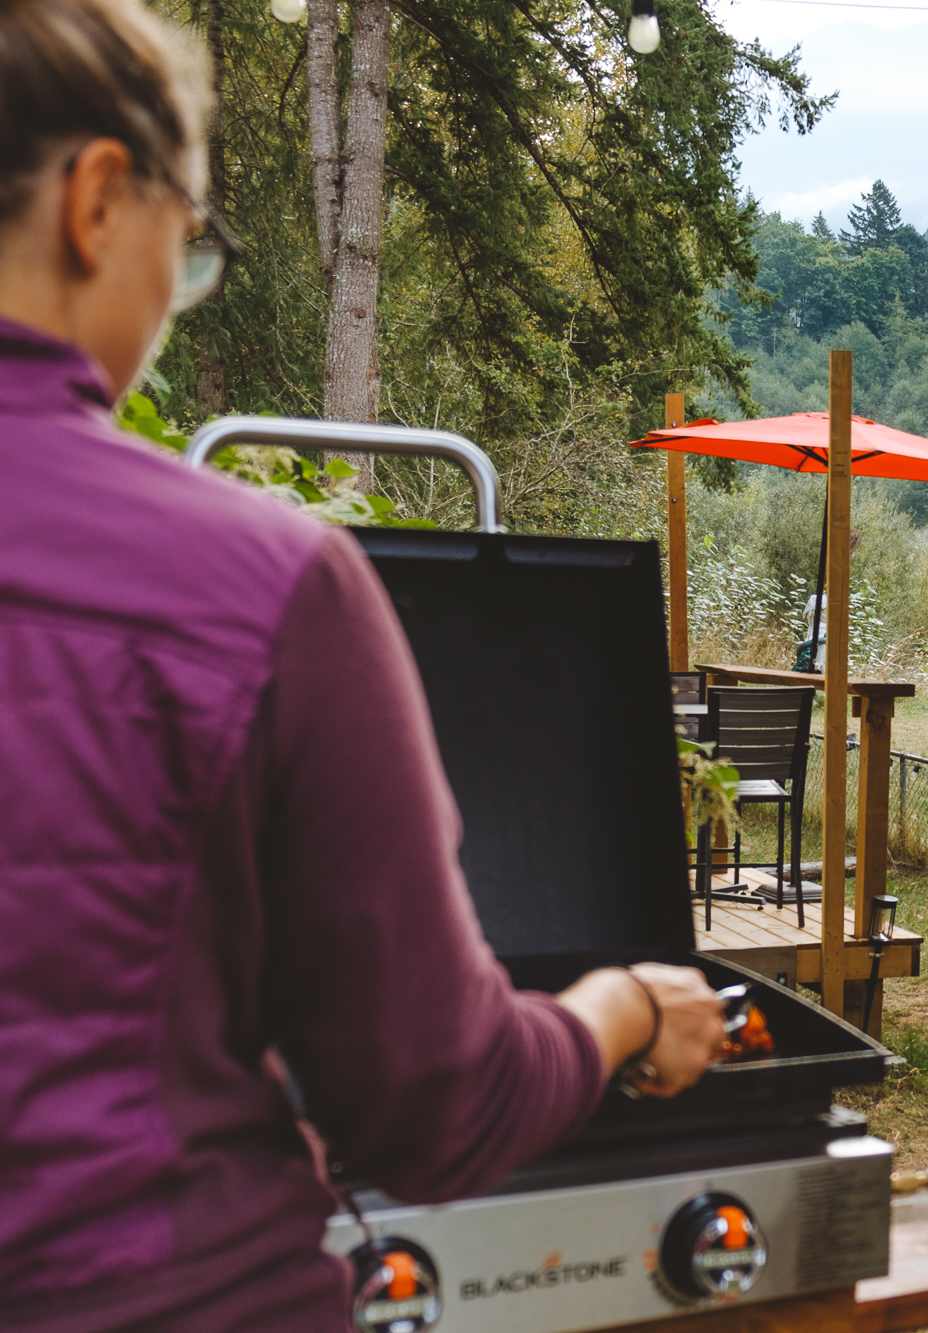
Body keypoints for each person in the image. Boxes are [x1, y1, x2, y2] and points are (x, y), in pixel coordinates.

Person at [0, 3, 725, 1328]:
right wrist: (619, 1009)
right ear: (97, 200)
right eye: (192, 248)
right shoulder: (257, 588)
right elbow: (434, 1106)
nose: (173, 301)